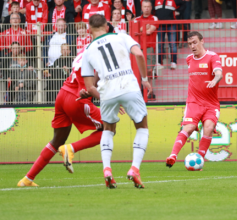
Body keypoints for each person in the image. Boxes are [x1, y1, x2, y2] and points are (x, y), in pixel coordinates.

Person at [16, 23, 119, 187]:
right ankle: (71, 149)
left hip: (62, 95)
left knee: (57, 140)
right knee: (109, 128)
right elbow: (95, 80)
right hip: (76, 99)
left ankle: (27, 179)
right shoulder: (101, 52)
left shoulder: (86, 48)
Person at [81, 14, 152, 189]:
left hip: (107, 92)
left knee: (108, 129)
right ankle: (134, 168)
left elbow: (90, 87)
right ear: (107, 26)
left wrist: (106, 96)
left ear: (89, 30)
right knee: (142, 128)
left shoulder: (88, 51)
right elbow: (139, 55)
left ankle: (107, 170)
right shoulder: (121, 36)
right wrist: (144, 78)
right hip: (129, 86)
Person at [165, 31, 223, 168]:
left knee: (208, 128)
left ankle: (200, 159)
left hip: (211, 103)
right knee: (189, 127)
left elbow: (219, 73)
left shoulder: (212, 56)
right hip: (193, 102)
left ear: (202, 41)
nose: (192, 46)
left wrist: (215, 79)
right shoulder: (189, 59)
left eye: (195, 42)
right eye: (190, 43)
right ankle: (172, 155)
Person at [154, 0, 183, 70]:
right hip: (160, 25)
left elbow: (183, 3)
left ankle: (173, 62)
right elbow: (151, 8)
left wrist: (178, 12)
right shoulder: (154, 0)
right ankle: (159, 63)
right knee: (160, 44)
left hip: (171, 24)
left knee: (172, 44)